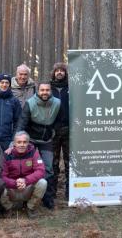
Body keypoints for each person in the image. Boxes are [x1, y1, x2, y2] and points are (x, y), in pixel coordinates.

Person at [16, 82, 61, 209]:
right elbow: (22, 122)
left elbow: (60, 120)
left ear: (51, 91)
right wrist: (16, 141)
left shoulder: (57, 103)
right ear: (38, 91)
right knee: (27, 167)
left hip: (47, 140)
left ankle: (48, 199)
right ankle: (25, 196)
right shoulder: (30, 103)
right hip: (31, 139)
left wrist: (53, 131)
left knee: (48, 168)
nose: (45, 92)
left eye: (47, 90)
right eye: (42, 90)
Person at [0, 131, 47, 218]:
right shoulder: (6, 155)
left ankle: (31, 207)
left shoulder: (34, 153)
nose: (22, 145)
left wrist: (26, 180)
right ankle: (8, 208)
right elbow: (2, 175)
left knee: (43, 182)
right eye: (19, 142)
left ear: (28, 143)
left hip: (27, 187)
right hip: (12, 188)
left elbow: (40, 170)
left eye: (25, 142)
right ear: (14, 143)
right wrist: (15, 183)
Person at [50, 62, 70, 200]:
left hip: (69, 130)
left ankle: (70, 192)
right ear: (53, 73)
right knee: (53, 162)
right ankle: (52, 192)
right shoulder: (48, 88)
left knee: (69, 162)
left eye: (62, 70)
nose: (59, 73)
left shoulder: (71, 87)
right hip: (53, 131)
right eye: (57, 70)